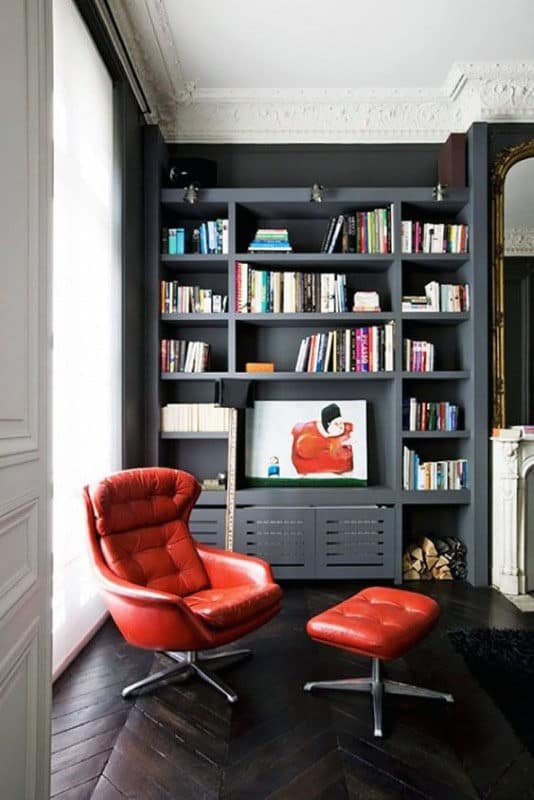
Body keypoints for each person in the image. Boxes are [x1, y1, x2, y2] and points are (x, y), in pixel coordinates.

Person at [291, 403, 353, 475]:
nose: (340, 427)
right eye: (336, 424)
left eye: (341, 423)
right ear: (327, 424)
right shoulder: (309, 433)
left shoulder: (349, 429)